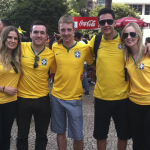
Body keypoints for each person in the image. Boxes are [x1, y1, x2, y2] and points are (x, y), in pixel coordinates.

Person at [88, 8, 130, 150]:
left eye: (109, 21)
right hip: (102, 97)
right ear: (99, 24)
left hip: (123, 97)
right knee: (100, 134)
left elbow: (138, 50)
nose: (106, 24)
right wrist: (96, 67)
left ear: (115, 22)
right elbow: (86, 56)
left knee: (123, 134)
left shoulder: (125, 40)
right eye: (102, 22)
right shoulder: (96, 40)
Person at [50, 14, 94, 150]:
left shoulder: (84, 48)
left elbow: (94, 65)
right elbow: (55, 71)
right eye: (63, 30)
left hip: (75, 98)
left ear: (74, 30)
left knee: (78, 135)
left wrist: (82, 74)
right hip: (57, 96)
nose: (66, 33)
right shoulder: (55, 47)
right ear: (59, 30)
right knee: (60, 131)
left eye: (69, 29)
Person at [16, 20, 56, 150]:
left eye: (42, 33)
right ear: (31, 34)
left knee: (42, 135)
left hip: (43, 100)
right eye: (36, 32)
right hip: (22, 99)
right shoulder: (20, 47)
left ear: (46, 36)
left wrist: (79, 75)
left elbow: (58, 72)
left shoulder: (51, 54)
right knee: (22, 135)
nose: (39, 35)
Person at [120, 22, 150, 150]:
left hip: (149, 104)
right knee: (136, 142)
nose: (129, 37)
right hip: (133, 105)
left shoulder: (148, 53)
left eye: (132, 34)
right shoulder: (126, 56)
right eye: (125, 35)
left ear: (139, 35)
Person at [0, 26, 23, 150]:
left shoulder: (17, 58)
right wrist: (4, 89)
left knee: (6, 137)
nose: (12, 40)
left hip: (11, 104)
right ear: (4, 38)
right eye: (9, 37)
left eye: (15, 38)